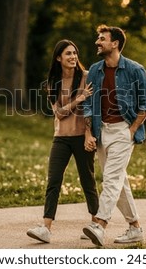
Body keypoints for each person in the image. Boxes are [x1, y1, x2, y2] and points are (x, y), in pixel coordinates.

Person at [82, 25, 146, 246]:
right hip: (102, 131)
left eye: (102, 38)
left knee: (111, 179)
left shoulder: (135, 70)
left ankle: (100, 225)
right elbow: (87, 103)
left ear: (115, 44)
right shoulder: (95, 70)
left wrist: (131, 131)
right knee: (119, 182)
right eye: (98, 38)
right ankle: (135, 228)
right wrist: (89, 132)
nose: (97, 42)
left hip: (124, 130)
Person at [26, 39, 99, 243]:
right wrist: (79, 98)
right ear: (59, 58)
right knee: (53, 182)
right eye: (68, 54)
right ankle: (46, 228)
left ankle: (95, 225)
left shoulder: (86, 77)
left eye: (75, 53)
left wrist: (88, 133)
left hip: (81, 137)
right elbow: (58, 113)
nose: (73, 57)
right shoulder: (53, 81)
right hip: (61, 139)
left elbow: (90, 109)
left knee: (88, 180)